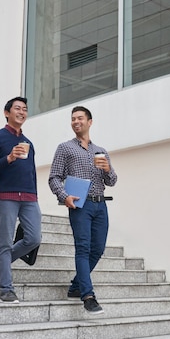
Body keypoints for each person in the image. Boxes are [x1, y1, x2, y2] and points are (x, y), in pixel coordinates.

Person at [49, 106, 118, 314]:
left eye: (80, 118)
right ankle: (87, 296)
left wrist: (107, 169)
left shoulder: (101, 151)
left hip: (101, 204)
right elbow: (54, 177)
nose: (76, 121)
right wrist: (64, 196)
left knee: (98, 249)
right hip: (80, 204)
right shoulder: (65, 148)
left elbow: (112, 181)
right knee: (83, 248)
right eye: (73, 119)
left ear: (90, 122)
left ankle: (76, 285)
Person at [0, 97, 42, 304]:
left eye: (25, 109)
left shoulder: (29, 144)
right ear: (6, 113)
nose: (22, 112)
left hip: (29, 198)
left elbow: (31, 173)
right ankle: (6, 290)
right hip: (5, 196)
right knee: (5, 242)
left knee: (34, 238)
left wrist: (35, 195)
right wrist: (8, 158)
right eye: (17, 108)